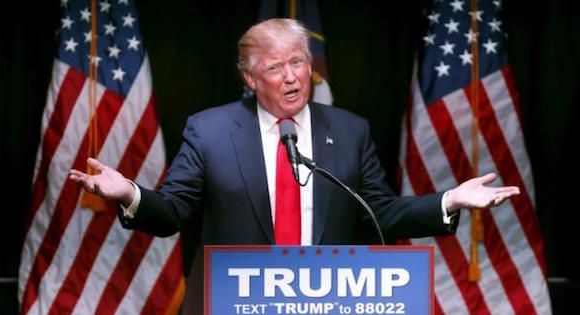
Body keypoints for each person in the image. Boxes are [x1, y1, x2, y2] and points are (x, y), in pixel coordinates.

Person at [70, 18, 519, 314]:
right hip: (233, 305)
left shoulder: (350, 130)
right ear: (249, 78)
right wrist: (130, 192)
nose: (290, 76)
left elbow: (378, 211)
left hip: (325, 303)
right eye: (275, 67)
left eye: (298, 62)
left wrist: (450, 199)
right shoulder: (209, 131)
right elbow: (173, 212)